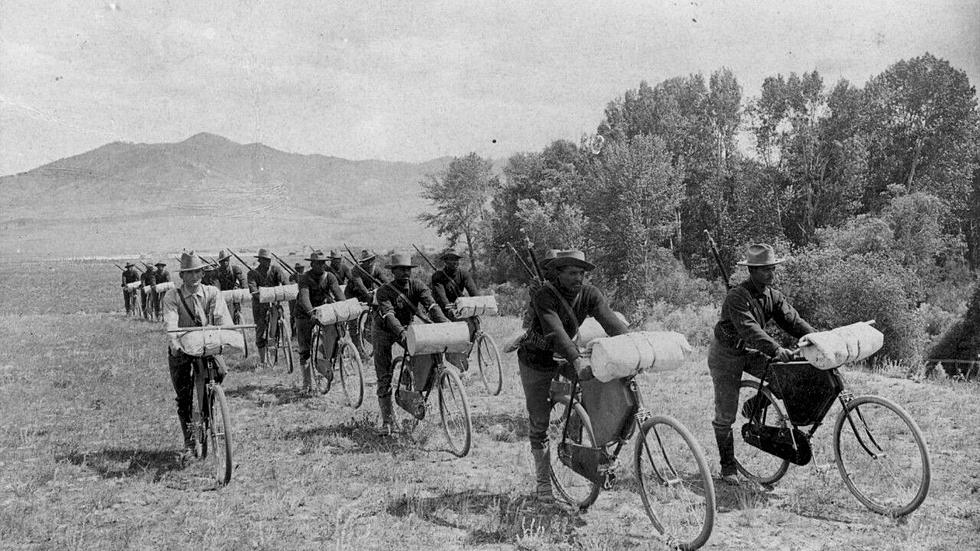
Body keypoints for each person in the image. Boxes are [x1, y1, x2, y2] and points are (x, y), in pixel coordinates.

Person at [517, 249, 628, 503]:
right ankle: (543, 481)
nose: (579, 278)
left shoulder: (590, 293)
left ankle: (580, 434)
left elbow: (610, 321)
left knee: (598, 385)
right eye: (572, 273)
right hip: (537, 357)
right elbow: (555, 332)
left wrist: (633, 345)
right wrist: (577, 360)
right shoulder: (544, 295)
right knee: (539, 419)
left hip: (566, 353)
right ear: (557, 274)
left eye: (582, 273)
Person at [709, 243, 815, 485]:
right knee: (725, 415)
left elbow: (793, 321)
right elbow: (750, 330)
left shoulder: (772, 296)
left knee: (784, 376)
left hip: (749, 352)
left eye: (772, 269)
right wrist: (776, 349)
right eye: (765, 269)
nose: (771, 274)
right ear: (752, 271)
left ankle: (754, 406)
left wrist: (817, 339)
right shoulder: (736, 297)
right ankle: (727, 468)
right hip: (725, 356)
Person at [161, 251, 233, 458]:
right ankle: (190, 441)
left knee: (219, 373)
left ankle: (208, 410)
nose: (194, 277)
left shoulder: (212, 292)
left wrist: (226, 335)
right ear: (181, 276)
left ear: (203, 273)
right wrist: (174, 342)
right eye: (189, 273)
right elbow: (171, 322)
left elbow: (222, 318)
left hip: (205, 346)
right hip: (182, 348)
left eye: (198, 272)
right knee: (183, 396)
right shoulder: (172, 296)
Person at [373, 252, 449, 434]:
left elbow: (431, 306)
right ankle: (387, 421)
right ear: (393, 272)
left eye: (407, 269)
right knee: (384, 375)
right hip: (384, 330)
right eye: (400, 270)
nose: (405, 273)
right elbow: (389, 316)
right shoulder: (384, 291)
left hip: (406, 326)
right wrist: (402, 333)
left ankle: (412, 387)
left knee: (423, 353)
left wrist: (445, 323)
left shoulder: (417, 286)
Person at [295, 250, 345, 392]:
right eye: (318, 263)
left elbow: (338, 293)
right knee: (305, 349)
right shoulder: (304, 278)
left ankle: (325, 363)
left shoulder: (330, 277)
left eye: (323, 263)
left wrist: (344, 307)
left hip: (323, 312)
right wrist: (311, 313)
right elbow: (304, 297)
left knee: (333, 335)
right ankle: (307, 384)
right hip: (304, 314)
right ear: (312, 264)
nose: (321, 265)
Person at [247, 248, 288, 367]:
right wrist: (259, 295)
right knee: (260, 329)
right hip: (259, 304)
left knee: (279, 318)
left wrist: (286, 288)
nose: (268, 262)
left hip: (274, 302)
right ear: (260, 260)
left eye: (269, 260)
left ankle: (278, 340)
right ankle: (263, 360)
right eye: (265, 260)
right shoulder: (253, 273)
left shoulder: (276, 270)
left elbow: (284, 281)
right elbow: (253, 288)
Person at [346, 249, 391, 353]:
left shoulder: (376, 269)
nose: (369, 263)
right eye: (367, 261)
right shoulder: (356, 270)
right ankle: (357, 349)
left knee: (375, 311)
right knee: (353, 323)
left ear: (374, 259)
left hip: (368, 294)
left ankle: (370, 330)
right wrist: (368, 294)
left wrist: (390, 289)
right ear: (363, 262)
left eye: (371, 260)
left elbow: (385, 282)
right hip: (353, 295)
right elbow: (360, 286)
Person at [430, 248, 478, 320]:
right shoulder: (437, 276)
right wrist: (450, 310)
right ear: (445, 261)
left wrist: (478, 304)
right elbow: (441, 297)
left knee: (474, 320)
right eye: (451, 259)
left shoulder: (464, 274)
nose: (455, 262)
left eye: (456, 259)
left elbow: (474, 293)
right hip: (443, 308)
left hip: (458, 305)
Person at [214, 250, 248, 323]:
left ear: (229, 260)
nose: (224, 262)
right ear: (219, 262)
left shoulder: (235, 269)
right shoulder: (217, 272)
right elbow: (216, 285)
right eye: (222, 261)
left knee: (236, 313)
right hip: (222, 295)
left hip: (234, 294)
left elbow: (242, 280)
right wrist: (218, 294)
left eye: (226, 260)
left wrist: (244, 291)